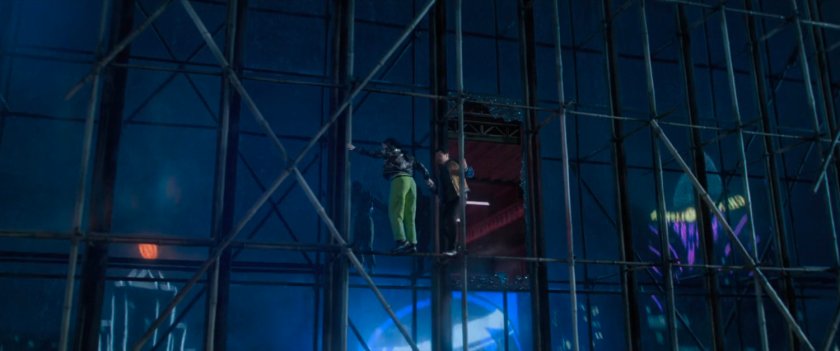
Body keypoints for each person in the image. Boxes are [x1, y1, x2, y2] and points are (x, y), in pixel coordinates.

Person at [348, 138, 435, 254]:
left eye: (384, 146)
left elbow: (374, 154)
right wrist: (427, 178)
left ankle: (401, 241)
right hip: (411, 182)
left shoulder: (391, 152)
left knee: (395, 211)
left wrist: (356, 149)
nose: (382, 148)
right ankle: (412, 243)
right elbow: (420, 166)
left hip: (399, 180)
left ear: (390, 146)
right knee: (410, 214)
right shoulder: (408, 155)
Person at [435, 148, 468, 256]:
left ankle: (453, 247)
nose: (438, 158)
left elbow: (460, 172)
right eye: (437, 157)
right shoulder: (441, 169)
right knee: (443, 224)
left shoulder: (450, 164)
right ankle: (454, 246)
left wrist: (464, 168)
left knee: (451, 219)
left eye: (440, 156)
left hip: (459, 196)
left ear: (446, 155)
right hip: (450, 199)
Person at [350, 181, 386, 273]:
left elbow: (378, 204)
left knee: (365, 244)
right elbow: (379, 204)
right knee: (360, 244)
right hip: (362, 219)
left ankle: (366, 266)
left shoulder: (364, 196)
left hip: (364, 219)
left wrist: (386, 209)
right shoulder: (357, 196)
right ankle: (363, 265)